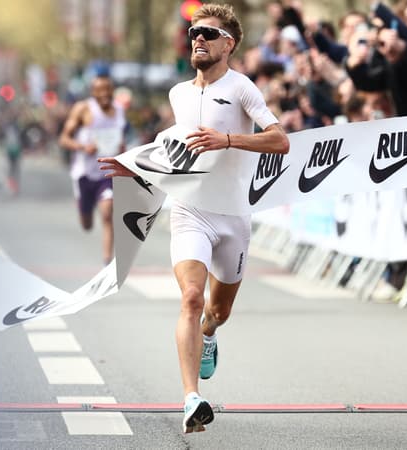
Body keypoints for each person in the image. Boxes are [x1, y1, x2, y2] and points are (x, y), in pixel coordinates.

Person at [99, 3, 289, 433]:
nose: (197, 39)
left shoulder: (243, 89)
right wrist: (136, 163)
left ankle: (208, 333)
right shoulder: (178, 93)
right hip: (190, 212)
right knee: (190, 297)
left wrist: (227, 139)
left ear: (229, 43)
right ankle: (191, 400)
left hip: (234, 218)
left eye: (207, 33)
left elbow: (280, 141)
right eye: (193, 32)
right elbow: (174, 142)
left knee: (217, 312)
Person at [59, 73, 126, 264]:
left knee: (107, 212)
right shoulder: (83, 109)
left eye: (108, 90)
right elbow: (63, 139)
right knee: (87, 224)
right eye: (100, 90)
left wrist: (121, 149)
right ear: (93, 93)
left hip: (107, 172)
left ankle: (107, 260)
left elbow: (119, 140)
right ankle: (83, 206)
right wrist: (82, 147)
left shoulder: (120, 110)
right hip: (84, 173)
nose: (104, 94)